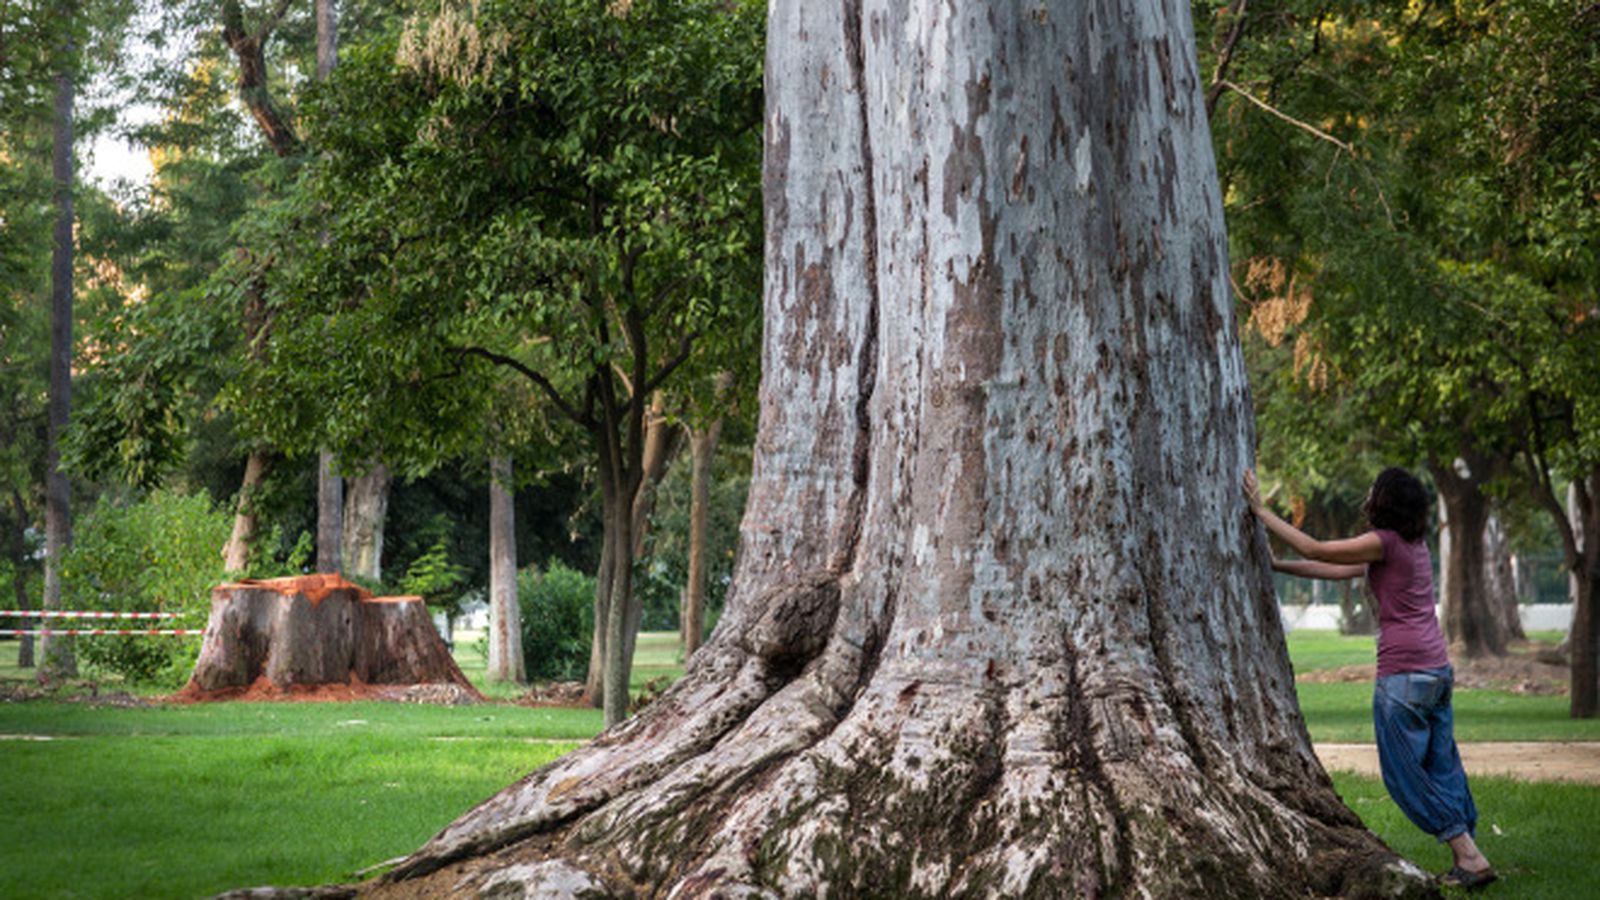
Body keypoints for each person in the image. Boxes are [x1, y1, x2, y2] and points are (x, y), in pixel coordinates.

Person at [1244, 467, 1497, 890]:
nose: (1367, 495)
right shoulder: (1412, 546)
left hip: (1403, 677)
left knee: (1404, 774)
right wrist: (1276, 565)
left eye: (1373, 490)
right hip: (1436, 671)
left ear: (1385, 500)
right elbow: (1333, 568)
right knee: (1441, 764)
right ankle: (1466, 847)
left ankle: (1469, 855)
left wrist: (1259, 510)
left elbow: (1318, 547)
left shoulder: (1383, 542)